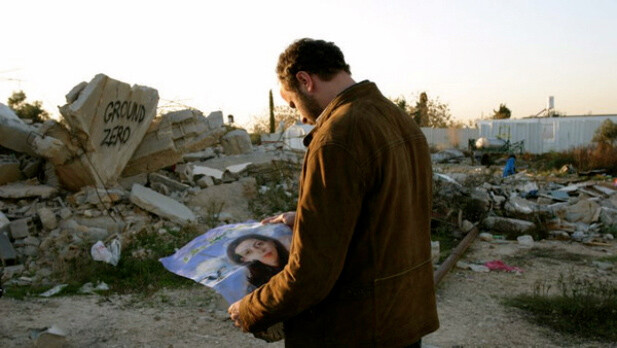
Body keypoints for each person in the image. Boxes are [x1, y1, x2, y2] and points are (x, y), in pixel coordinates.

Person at [228, 38, 439, 347]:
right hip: (401, 322)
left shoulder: (336, 137)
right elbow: (384, 215)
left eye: (292, 103)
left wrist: (251, 309)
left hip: (353, 329)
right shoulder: (396, 118)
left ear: (304, 81)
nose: (299, 116)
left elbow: (312, 273)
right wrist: (302, 219)